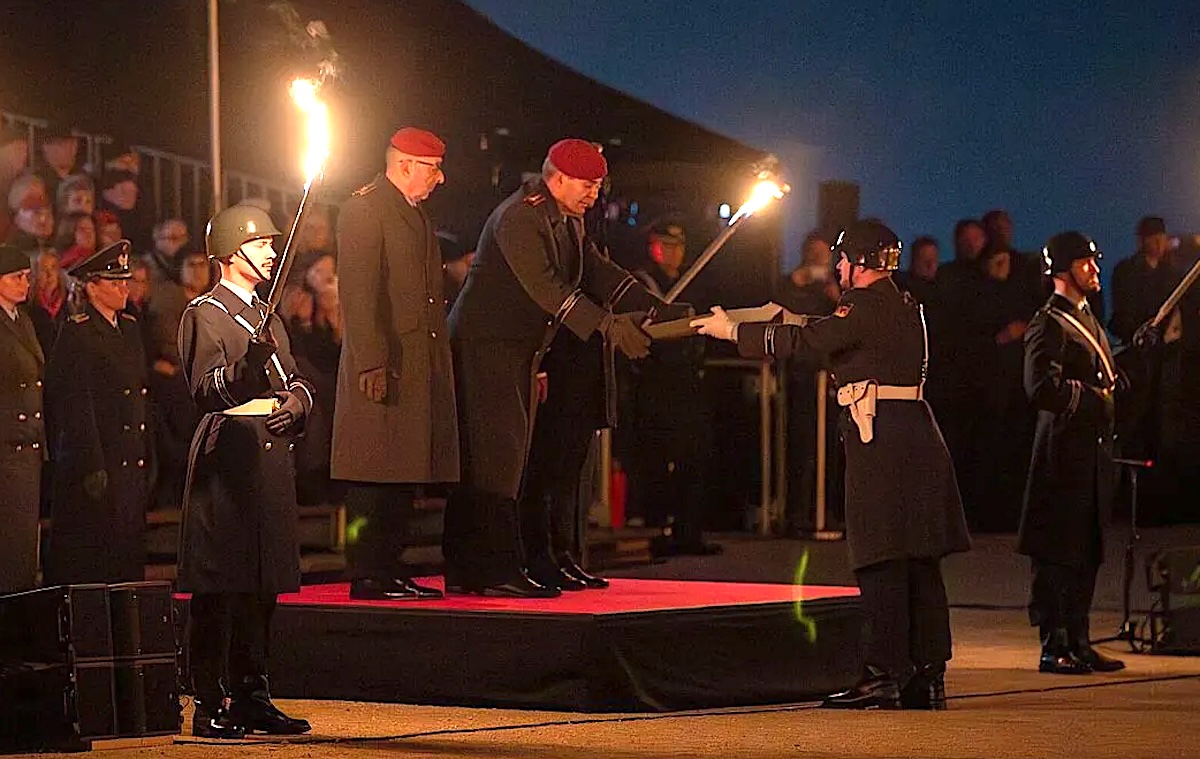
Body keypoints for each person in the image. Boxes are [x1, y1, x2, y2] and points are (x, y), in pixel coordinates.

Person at [692, 220, 970, 710]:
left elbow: (811, 345)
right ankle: (927, 676)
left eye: (843, 259)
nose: (838, 267)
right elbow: (836, 334)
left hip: (880, 438)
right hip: (915, 435)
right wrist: (786, 316)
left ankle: (882, 674)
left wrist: (734, 331)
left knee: (880, 557)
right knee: (919, 560)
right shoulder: (903, 303)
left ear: (859, 262)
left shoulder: (862, 303)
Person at [446, 138, 662, 597]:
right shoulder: (522, 216)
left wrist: (652, 305)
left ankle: (477, 567)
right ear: (557, 178)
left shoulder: (564, 217)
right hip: (488, 345)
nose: (593, 194)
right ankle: (492, 568)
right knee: (497, 459)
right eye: (587, 184)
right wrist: (608, 326)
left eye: (598, 185)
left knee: (507, 457)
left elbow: (594, 270)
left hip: (518, 348)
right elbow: (547, 287)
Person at [176, 204, 313, 738]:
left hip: (269, 456)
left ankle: (253, 696)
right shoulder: (204, 313)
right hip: (228, 453)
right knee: (220, 585)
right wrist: (247, 367)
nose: (271, 253)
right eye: (261, 245)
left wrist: (300, 403)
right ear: (232, 253)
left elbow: (294, 379)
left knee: (262, 587)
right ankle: (208, 701)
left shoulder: (268, 315)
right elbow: (207, 389)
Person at [331, 127, 459, 601]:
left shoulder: (411, 213)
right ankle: (367, 571)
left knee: (401, 473)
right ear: (404, 164)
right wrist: (371, 362)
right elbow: (359, 295)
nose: (440, 178)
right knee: (371, 474)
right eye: (432, 168)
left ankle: (388, 567)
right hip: (385, 362)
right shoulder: (365, 208)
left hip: (412, 363)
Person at [1019, 231, 1125, 675]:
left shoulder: (1087, 319)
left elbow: (1104, 372)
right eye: (1087, 263)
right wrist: (1091, 398)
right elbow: (1042, 387)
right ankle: (1054, 643)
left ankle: (1079, 640)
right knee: (1059, 553)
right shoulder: (1050, 323)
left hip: (1090, 455)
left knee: (1086, 549)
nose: (1095, 270)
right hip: (1062, 457)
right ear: (1064, 271)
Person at [43, 240, 150, 585]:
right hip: (100, 460)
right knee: (93, 557)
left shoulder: (130, 328)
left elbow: (139, 395)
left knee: (127, 559)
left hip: (128, 460)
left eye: (125, 281)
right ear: (91, 286)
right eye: (114, 282)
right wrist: (92, 463)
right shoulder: (78, 333)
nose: (123, 288)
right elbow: (76, 403)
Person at [622, 221, 717, 556]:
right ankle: (655, 529)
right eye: (666, 245)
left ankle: (688, 530)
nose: (674, 253)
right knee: (655, 458)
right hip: (654, 382)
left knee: (694, 455)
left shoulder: (694, 283)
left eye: (679, 246)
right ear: (653, 247)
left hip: (687, 381)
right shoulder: (641, 283)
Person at [0, 244, 44, 593]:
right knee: (10, 546)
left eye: (27, 277)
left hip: (26, 445)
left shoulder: (24, 321)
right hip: (6, 446)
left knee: (24, 546)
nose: (25, 283)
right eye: (16, 277)